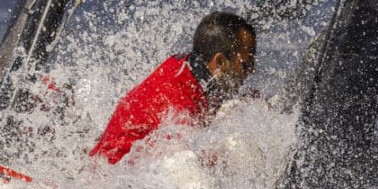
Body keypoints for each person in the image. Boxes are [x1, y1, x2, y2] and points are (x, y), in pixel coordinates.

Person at [91, 11, 257, 164]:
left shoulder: (189, 67)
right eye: (245, 65)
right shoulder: (177, 105)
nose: (252, 71)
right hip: (111, 178)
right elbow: (186, 166)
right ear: (219, 62)